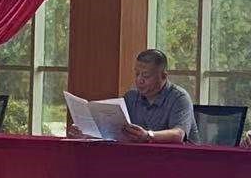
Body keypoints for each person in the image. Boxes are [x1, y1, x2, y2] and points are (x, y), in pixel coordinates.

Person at [70, 49, 198, 143]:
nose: (139, 80)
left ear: (163, 76)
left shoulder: (179, 98)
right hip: (143, 158)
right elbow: (115, 132)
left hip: (180, 160)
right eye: (137, 74)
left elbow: (178, 134)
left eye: (146, 76)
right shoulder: (131, 97)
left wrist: (148, 135)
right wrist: (88, 134)